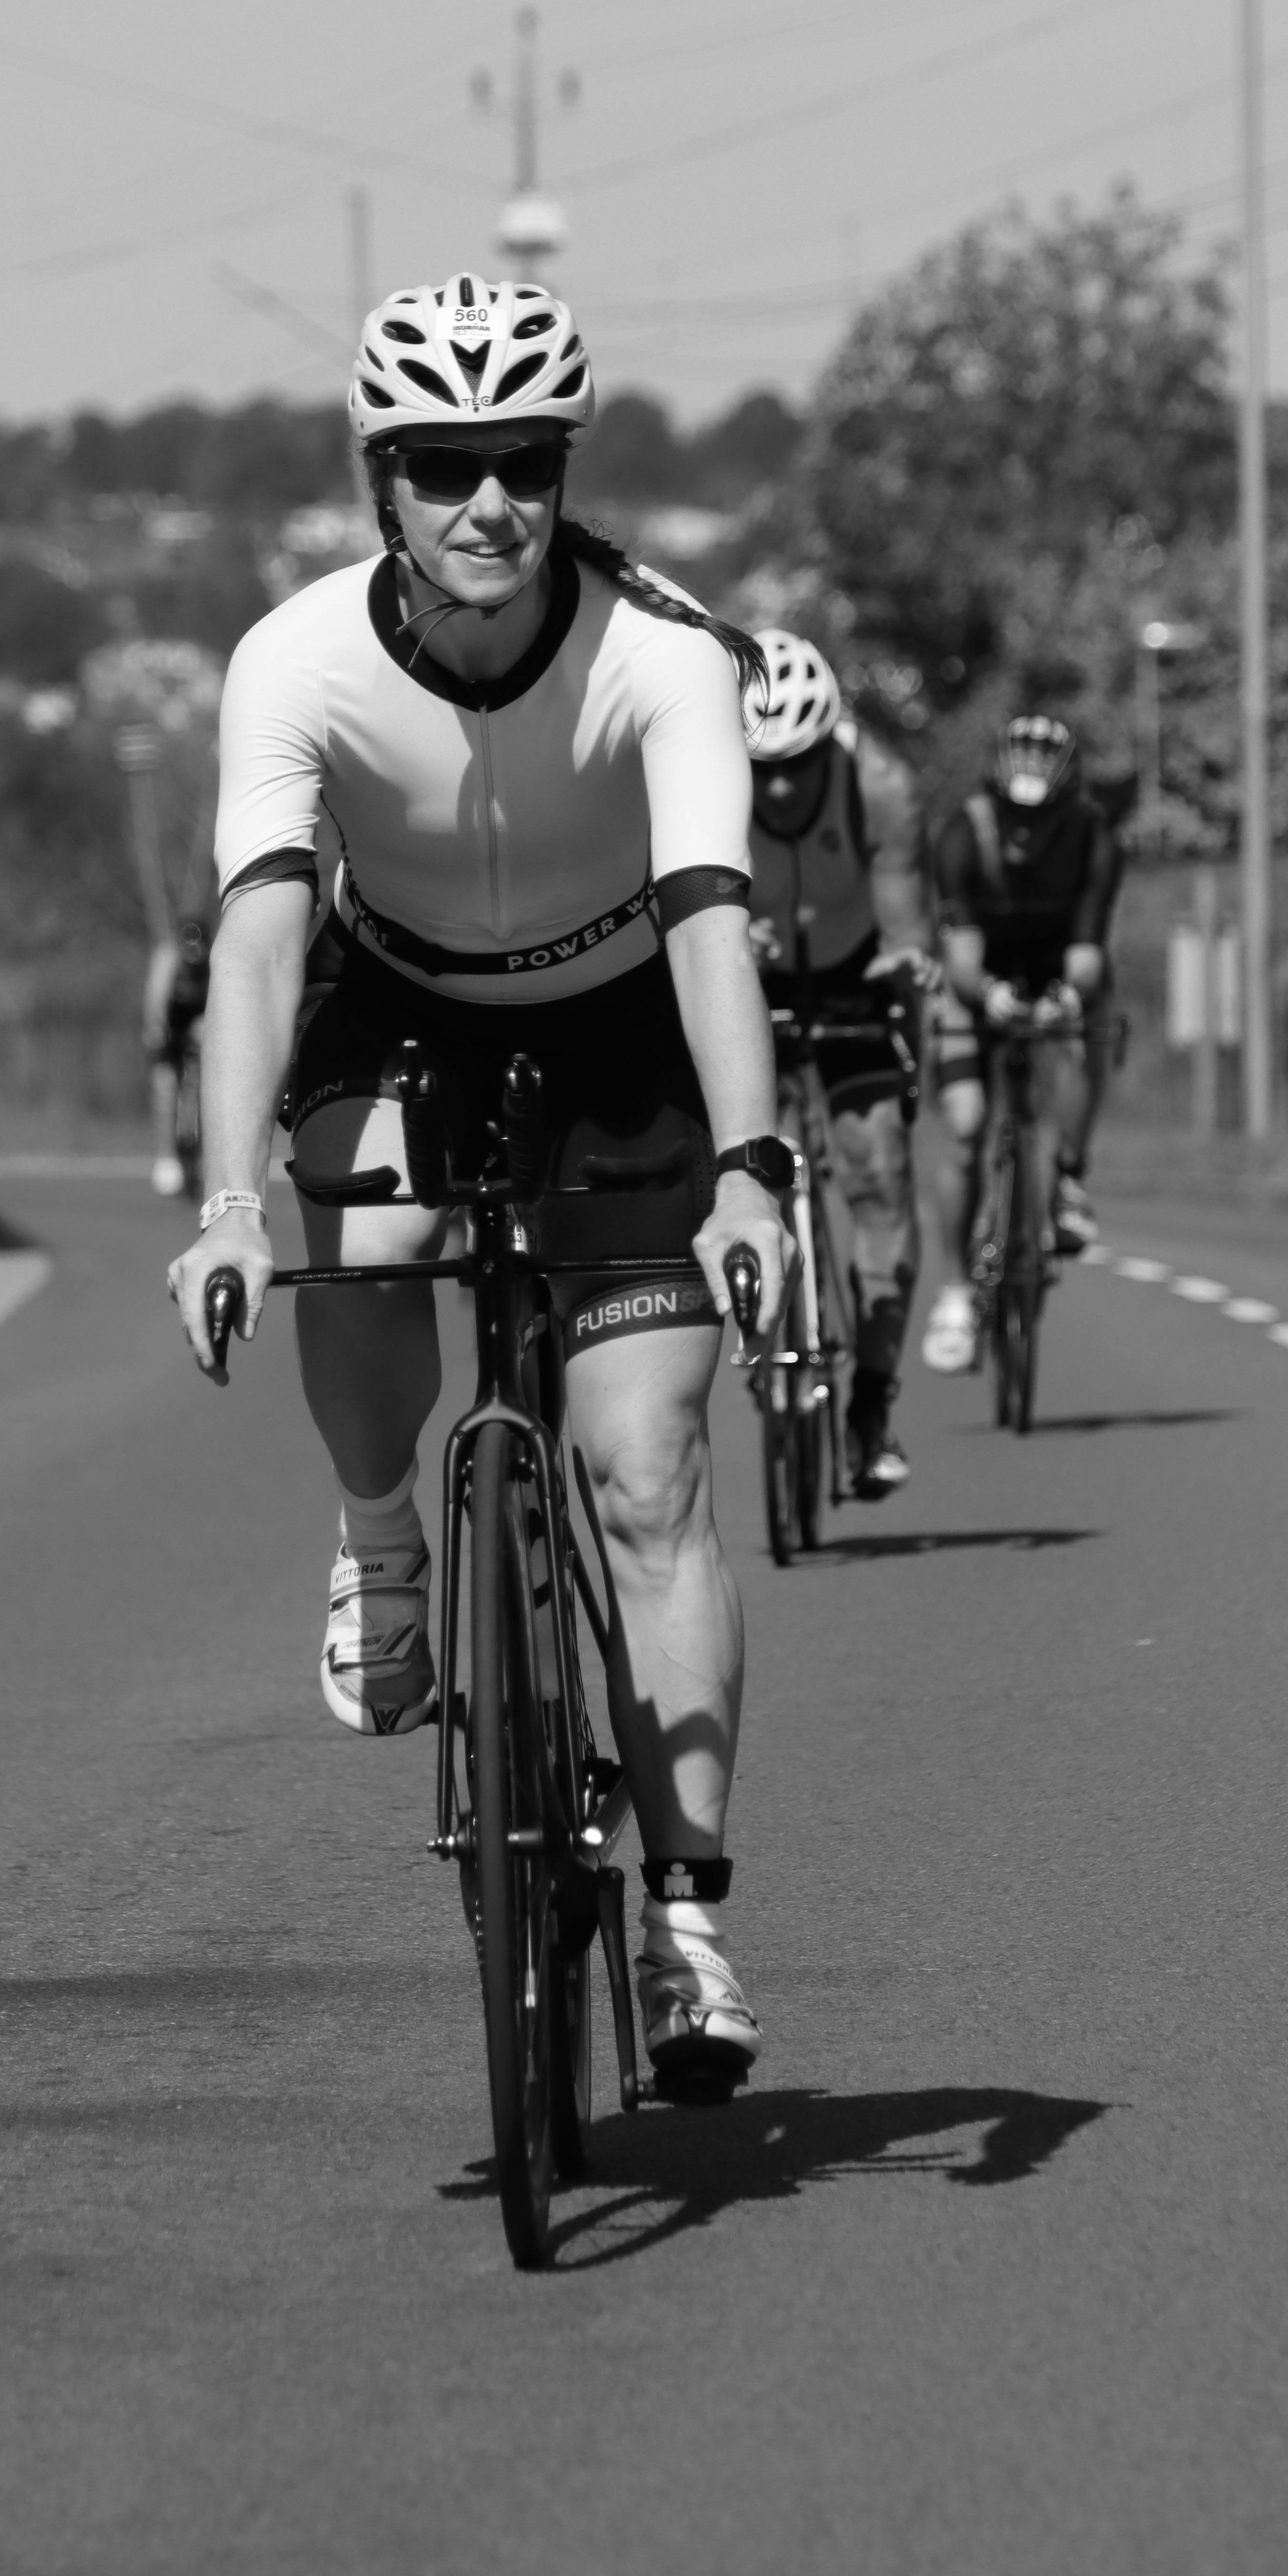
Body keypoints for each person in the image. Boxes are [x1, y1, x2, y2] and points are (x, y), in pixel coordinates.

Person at [165, 274, 791, 2104]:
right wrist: (222, 1199)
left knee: (648, 1467)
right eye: (442, 465)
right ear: (385, 478)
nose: (486, 501)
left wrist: (749, 1171)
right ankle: (382, 1544)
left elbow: (707, 926)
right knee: (354, 1224)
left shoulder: (666, 652)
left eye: (520, 459)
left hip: (623, 1032)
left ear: (560, 465)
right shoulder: (293, 660)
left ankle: (681, 1921)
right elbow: (263, 944)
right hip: (397, 1004)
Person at [744, 629, 932, 1497]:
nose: (779, 785)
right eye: (763, 767)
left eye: (799, 763)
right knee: (750, 1168)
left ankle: (872, 1407)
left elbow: (902, 921)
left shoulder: (880, 787)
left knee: (880, 1172)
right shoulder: (705, 780)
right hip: (754, 980)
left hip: (857, 980)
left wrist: (904, 964)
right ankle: (763, 1335)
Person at [919, 712, 1127, 1374]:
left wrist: (1067, 995)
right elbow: (960, 957)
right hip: (975, 976)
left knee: (1086, 1024)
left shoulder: (1094, 836)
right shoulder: (965, 832)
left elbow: (1090, 950)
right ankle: (954, 1292)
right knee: (965, 1125)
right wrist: (989, 997)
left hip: (1057, 967)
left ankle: (1067, 1174)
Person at [143, 915, 213, 1196]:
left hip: (198, 1019)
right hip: (170, 1020)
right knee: (166, 1085)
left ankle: (202, 1152)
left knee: (203, 1084)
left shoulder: (215, 959)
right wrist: (157, 1032)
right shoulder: (167, 958)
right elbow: (155, 1001)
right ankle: (166, 1157)